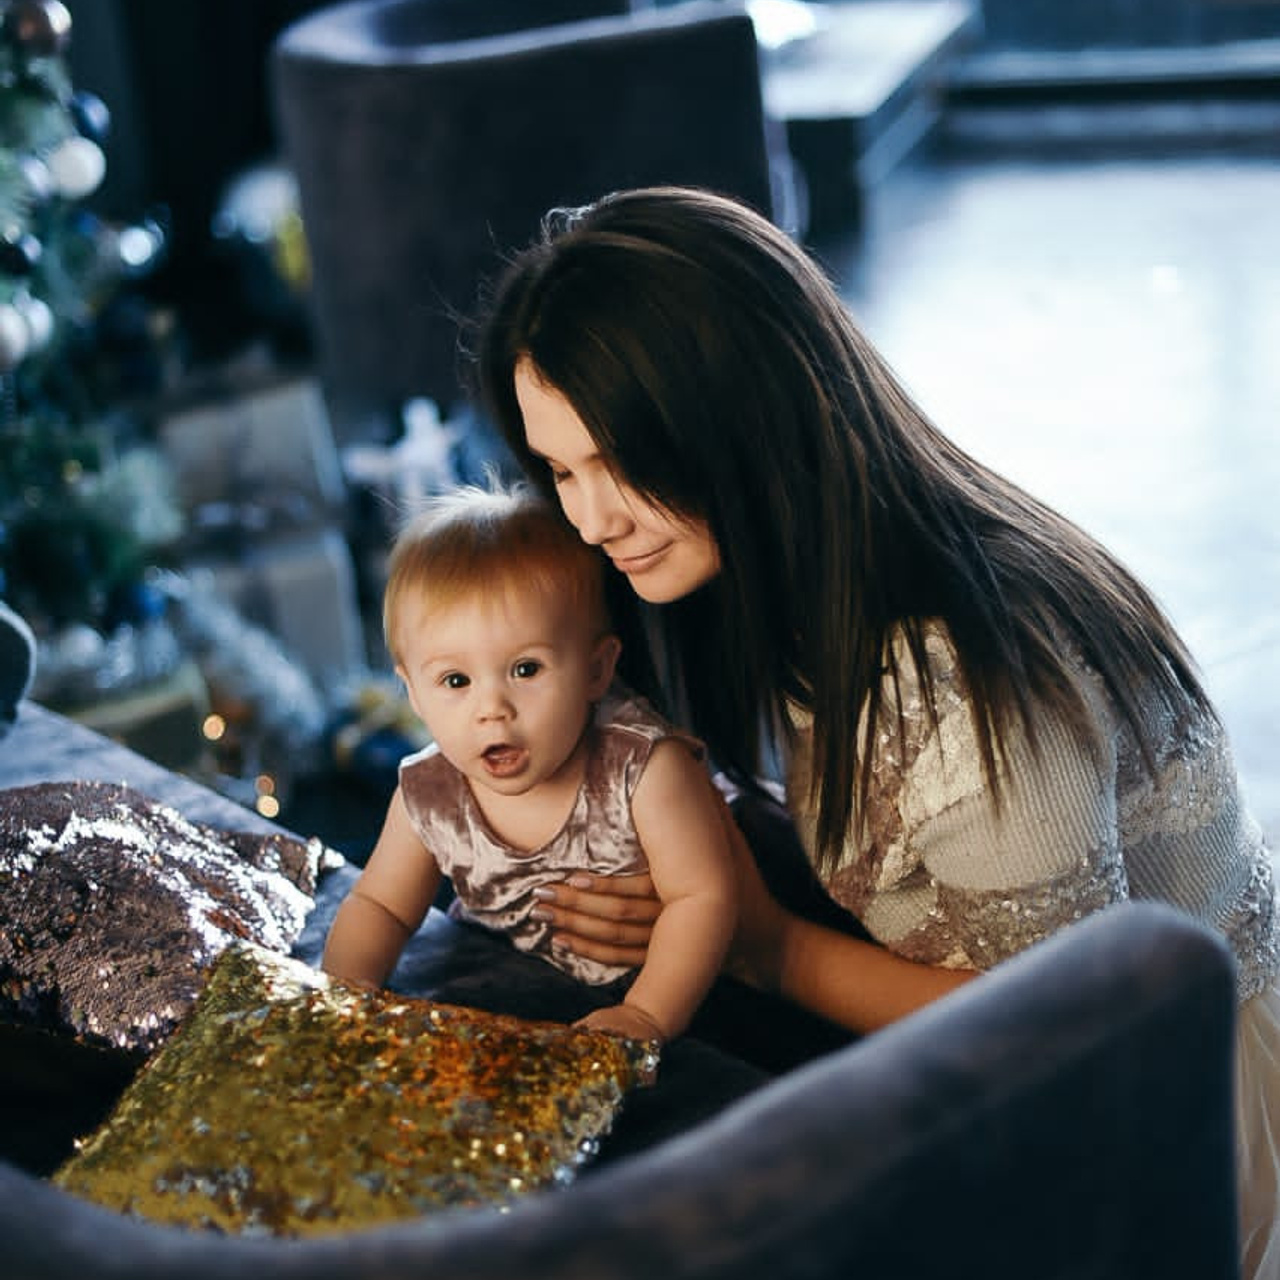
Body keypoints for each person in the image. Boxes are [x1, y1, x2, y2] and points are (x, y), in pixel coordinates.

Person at [473, 185, 1279, 1276]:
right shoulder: (813, 576)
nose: (590, 517)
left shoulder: (963, 681)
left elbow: (1061, 1037)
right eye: (560, 470)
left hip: (1179, 1118)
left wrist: (763, 942)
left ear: (746, 416)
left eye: (621, 462)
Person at [322, 480, 736, 1045]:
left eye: (525, 670)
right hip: (496, 985)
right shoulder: (432, 791)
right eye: (456, 681)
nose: (491, 710)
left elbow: (703, 898)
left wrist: (647, 1015)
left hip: (642, 990)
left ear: (596, 670)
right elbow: (380, 905)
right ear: (413, 693)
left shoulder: (643, 767)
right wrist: (344, 993)